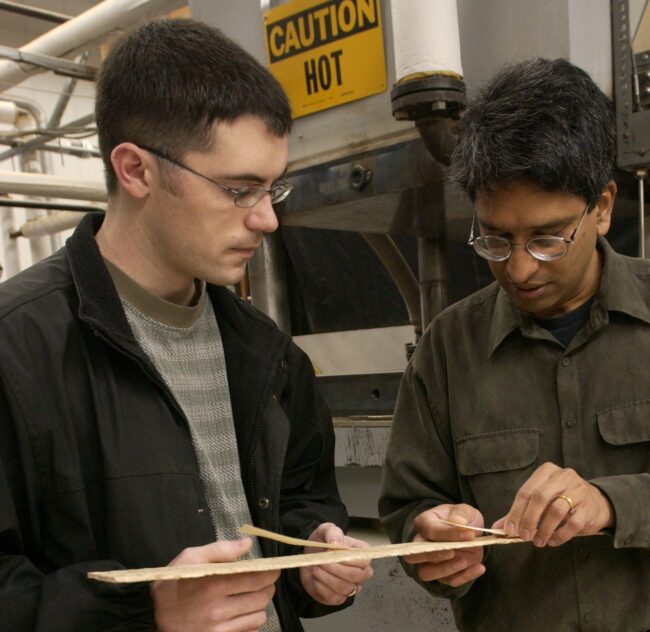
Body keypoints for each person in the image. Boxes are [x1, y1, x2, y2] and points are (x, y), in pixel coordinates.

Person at [379, 58, 650, 631]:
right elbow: (407, 508)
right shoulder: (447, 349)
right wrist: (431, 537)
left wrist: (616, 504)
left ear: (601, 206)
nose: (519, 269)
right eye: (495, 239)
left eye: (547, 238)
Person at [0, 18, 372, 632]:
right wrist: (146, 614)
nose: (268, 222)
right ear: (136, 170)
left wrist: (312, 554)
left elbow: (300, 501)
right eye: (238, 190)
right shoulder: (17, 350)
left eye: (271, 190)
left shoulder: (267, 352)